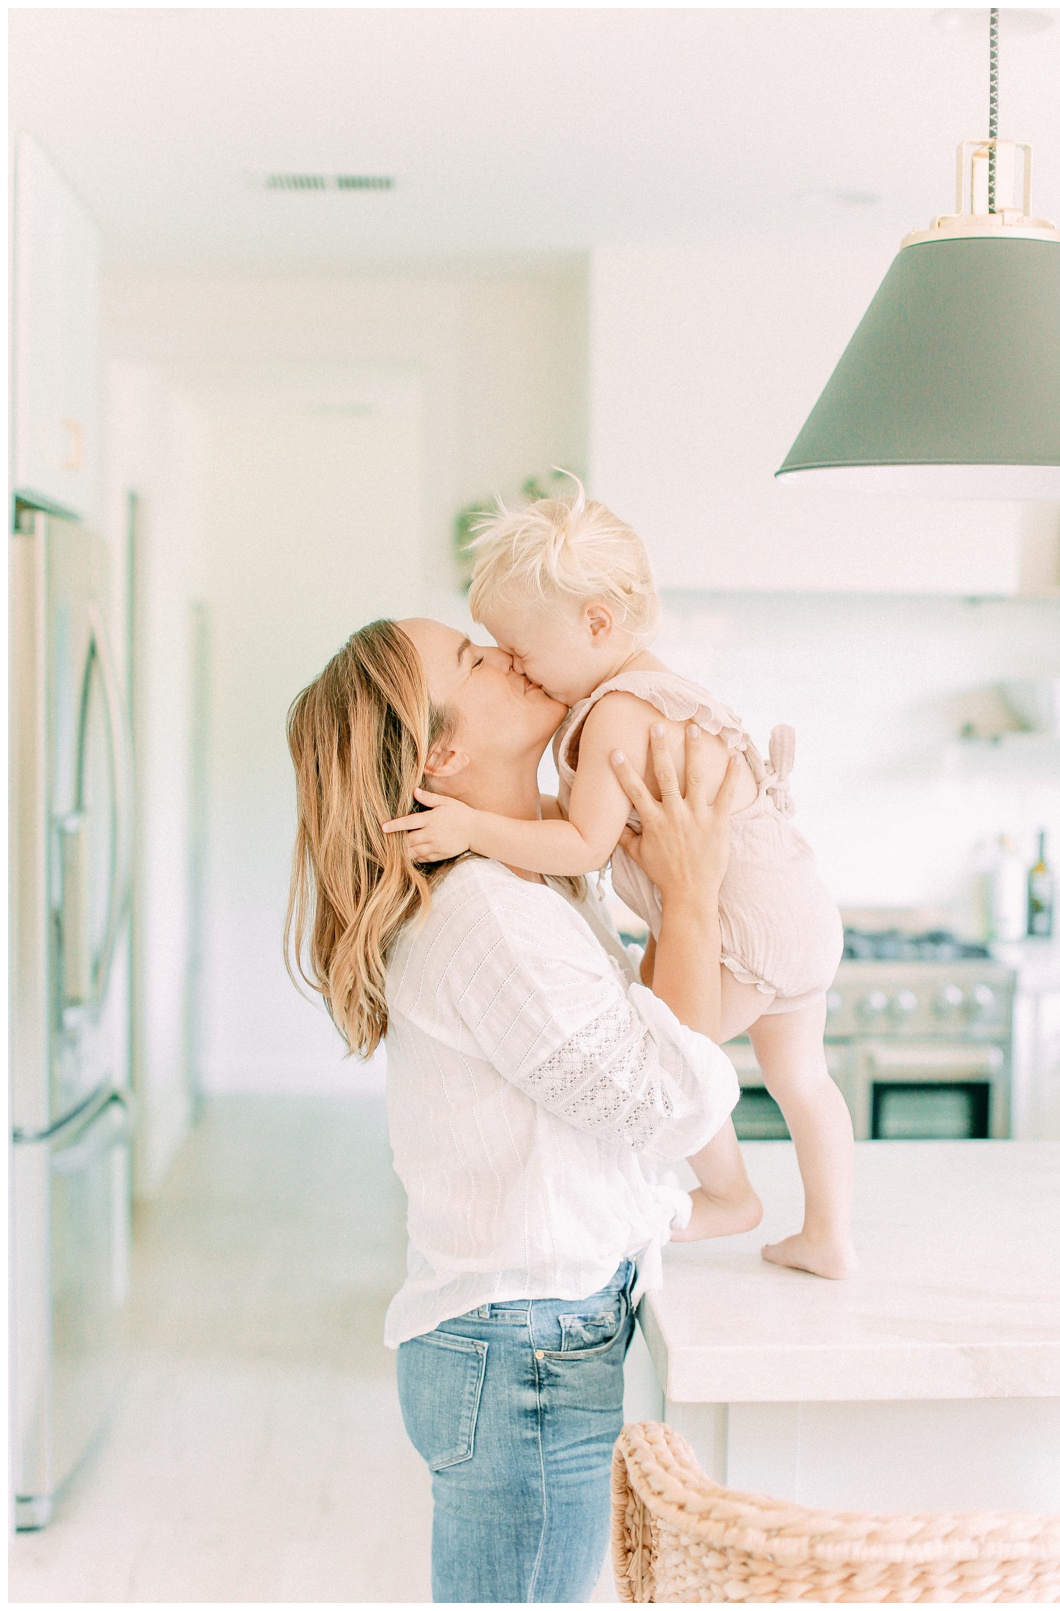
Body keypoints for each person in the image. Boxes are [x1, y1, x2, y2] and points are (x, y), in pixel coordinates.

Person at [284, 616, 747, 1604]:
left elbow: (572, 1130)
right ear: (443, 752)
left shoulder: (523, 883)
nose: (504, 649)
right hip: (525, 1355)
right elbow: (669, 1107)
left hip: (521, 1345)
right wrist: (692, 892)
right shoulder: (491, 915)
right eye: (471, 659)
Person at [382, 485, 854, 1280]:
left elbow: (581, 841)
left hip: (743, 932)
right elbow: (578, 814)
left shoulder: (612, 714)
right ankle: (830, 1233)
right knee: (804, 1079)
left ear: (596, 623)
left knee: (673, 1053)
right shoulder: (659, 691)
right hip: (801, 910)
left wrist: (470, 827)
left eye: (521, 652)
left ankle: (732, 1195)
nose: (516, 667)